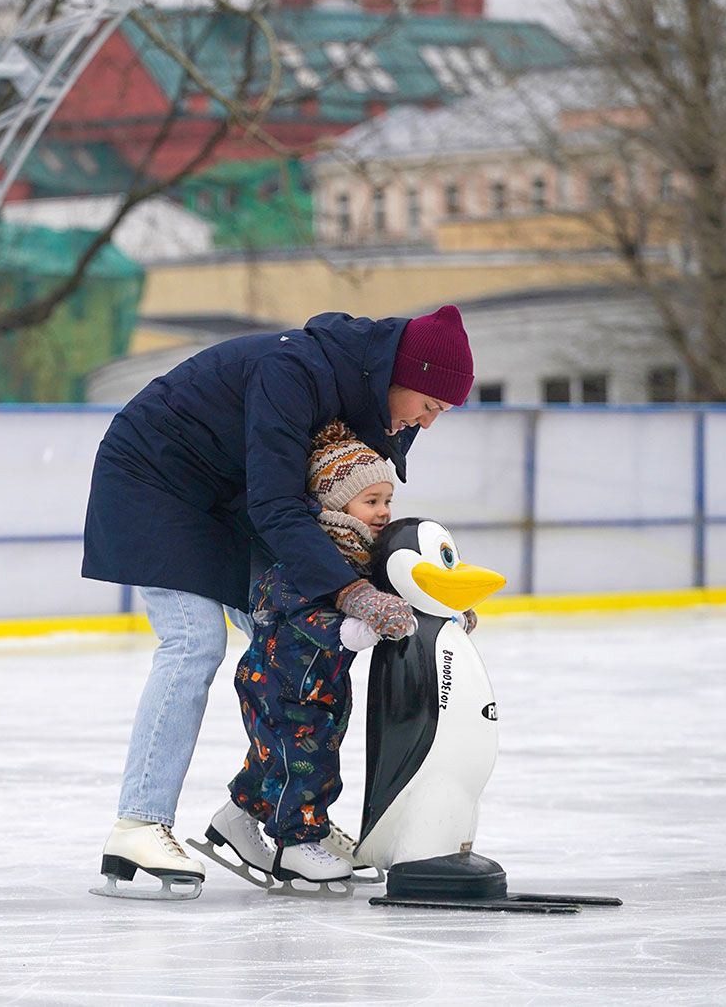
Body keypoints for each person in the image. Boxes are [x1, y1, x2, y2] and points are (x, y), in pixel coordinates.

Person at [82, 305, 475, 897]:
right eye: (430, 405)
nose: (429, 421)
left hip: (230, 497)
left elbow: (352, 522)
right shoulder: (295, 371)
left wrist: (421, 595)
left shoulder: (382, 411)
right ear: (403, 372)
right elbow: (278, 506)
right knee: (194, 642)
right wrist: (350, 591)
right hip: (155, 480)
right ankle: (139, 822)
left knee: (295, 646)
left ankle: (254, 814)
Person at [215, 422, 397, 886]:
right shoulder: (309, 552)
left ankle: (235, 817)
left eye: (386, 500)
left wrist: (445, 611)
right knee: (304, 762)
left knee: (279, 757)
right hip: (278, 681)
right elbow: (293, 609)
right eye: (371, 502)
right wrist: (347, 630)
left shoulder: (363, 556)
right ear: (338, 504)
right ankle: (299, 842)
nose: (382, 512)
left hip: (319, 686)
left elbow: (398, 591)